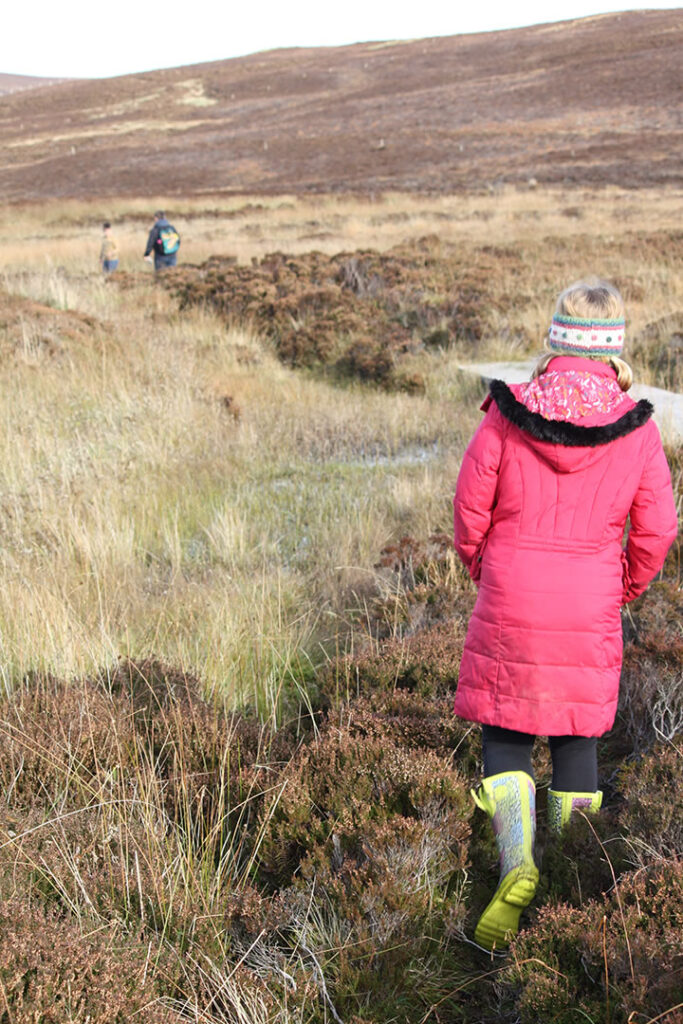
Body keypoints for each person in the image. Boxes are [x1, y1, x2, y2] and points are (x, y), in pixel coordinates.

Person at [452, 279, 678, 951]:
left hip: (512, 587)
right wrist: (623, 587)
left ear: (555, 338)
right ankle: (570, 888)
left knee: (506, 731)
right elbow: (657, 528)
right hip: (588, 595)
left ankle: (515, 862)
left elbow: (470, 508)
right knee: (577, 737)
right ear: (613, 347)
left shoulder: (505, 411)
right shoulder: (635, 426)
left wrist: (483, 569)